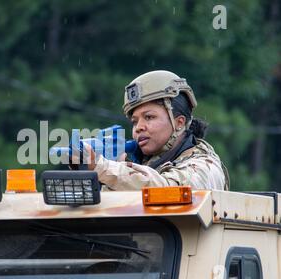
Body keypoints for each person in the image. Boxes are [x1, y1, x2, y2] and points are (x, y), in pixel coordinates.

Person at [81, 70, 229, 191]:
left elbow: (167, 190)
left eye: (149, 117)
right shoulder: (140, 165)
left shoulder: (204, 167)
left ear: (179, 122)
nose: (139, 127)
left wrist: (105, 169)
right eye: (134, 121)